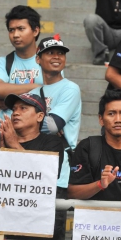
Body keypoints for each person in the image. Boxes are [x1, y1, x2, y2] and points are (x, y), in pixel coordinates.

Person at [0, 93, 67, 240]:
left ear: (40, 116)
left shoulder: (52, 143)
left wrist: (14, 144)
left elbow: (45, 176)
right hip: (2, 221)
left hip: (36, 224)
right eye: (14, 109)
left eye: (23, 108)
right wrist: (2, 151)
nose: (16, 113)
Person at [28, 35, 81, 198]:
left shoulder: (70, 89)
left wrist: (30, 124)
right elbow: (18, 126)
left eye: (61, 53)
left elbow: (53, 126)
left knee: (54, 223)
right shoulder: (32, 93)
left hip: (58, 172)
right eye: (50, 53)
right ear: (38, 59)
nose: (57, 56)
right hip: (31, 170)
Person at [0, 5, 42, 136]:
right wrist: (38, 87)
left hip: (38, 135)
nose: (15, 35)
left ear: (35, 31)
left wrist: (11, 99)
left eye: (21, 29)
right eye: (11, 30)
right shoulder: (3, 62)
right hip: (6, 133)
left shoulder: (48, 61)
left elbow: (55, 94)